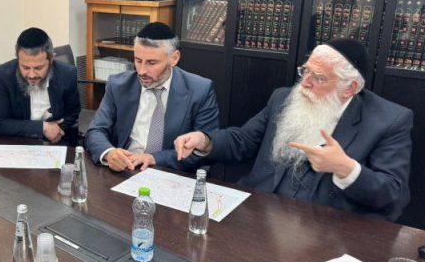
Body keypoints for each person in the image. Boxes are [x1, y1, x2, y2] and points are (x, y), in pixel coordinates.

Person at [175, 38, 413, 221]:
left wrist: (346, 168)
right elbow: (244, 140)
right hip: (260, 213)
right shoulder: (284, 98)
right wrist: (206, 140)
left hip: (326, 229)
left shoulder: (389, 120)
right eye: (305, 71)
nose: (305, 83)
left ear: (349, 88)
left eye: (318, 77)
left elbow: (394, 195)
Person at [85, 22, 220, 172]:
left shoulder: (200, 90)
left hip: (170, 173)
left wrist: (154, 158)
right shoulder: (118, 86)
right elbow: (95, 131)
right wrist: (109, 153)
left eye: (152, 63)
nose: (142, 71)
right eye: (138, 61)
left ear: (174, 58)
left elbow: (205, 150)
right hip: (125, 170)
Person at [0, 27, 81, 145]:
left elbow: (73, 113)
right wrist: (43, 128)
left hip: (55, 141)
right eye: (25, 67)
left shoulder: (68, 74)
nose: (31, 75)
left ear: (51, 60)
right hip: (17, 141)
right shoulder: (3, 76)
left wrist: (55, 129)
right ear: (18, 59)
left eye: (39, 68)